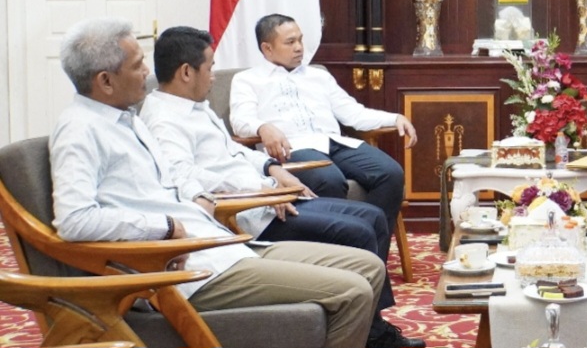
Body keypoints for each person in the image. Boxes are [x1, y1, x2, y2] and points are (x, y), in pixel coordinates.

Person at [50, 18, 385, 348]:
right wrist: (165, 227)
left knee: (368, 266)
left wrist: (206, 193)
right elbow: (74, 220)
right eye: (137, 65)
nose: (147, 73)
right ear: (105, 81)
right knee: (354, 290)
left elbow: (175, 177)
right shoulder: (80, 130)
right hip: (189, 273)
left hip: (220, 243)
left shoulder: (129, 120)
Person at [141, 26, 424, 348]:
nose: (214, 76)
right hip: (246, 213)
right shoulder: (163, 120)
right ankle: (373, 334)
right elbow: (183, 178)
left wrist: (271, 168)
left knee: (372, 217)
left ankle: (372, 326)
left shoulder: (196, 107)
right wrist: (257, 189)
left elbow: (235, 152)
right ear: (186, 72)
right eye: (210, 67)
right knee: (357, 231)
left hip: (268, 195)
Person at [229, 14, 417, 230]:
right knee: (328, 179)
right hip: (293, 148)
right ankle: (343, 242)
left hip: (335, 143)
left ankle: (369, 245)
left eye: (300, 40)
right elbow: (240, 121)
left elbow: (352, 112)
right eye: (290, 42)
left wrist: (394, 118)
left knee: (391, 173)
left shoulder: (318, 76)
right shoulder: (247, 80)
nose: (299, 47)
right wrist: (262, 128)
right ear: (267, 48)